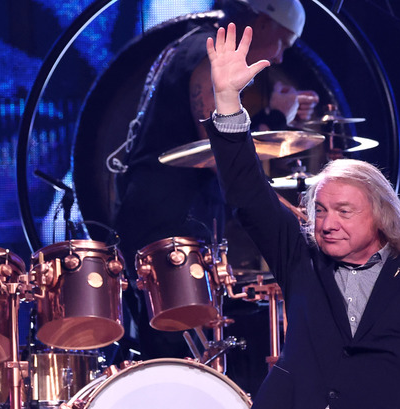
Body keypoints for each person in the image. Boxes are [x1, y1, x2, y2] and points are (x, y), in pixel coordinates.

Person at [204, 23, 400, 409]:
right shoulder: (301, 259)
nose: (327, 223)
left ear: (381, 216)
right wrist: (228, 101)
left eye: (343, 211)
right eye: (320, 211)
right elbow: (248, 192)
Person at [112, 0, 318, 360]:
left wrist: (274, 114)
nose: (282, 57)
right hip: (166, 220)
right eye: (283, 43)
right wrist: (273, 119)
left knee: (187, 347)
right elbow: (216, 149)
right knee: (178, 350)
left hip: (169, 212)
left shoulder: (198, 45)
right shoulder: (208, 53)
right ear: (264, 23)